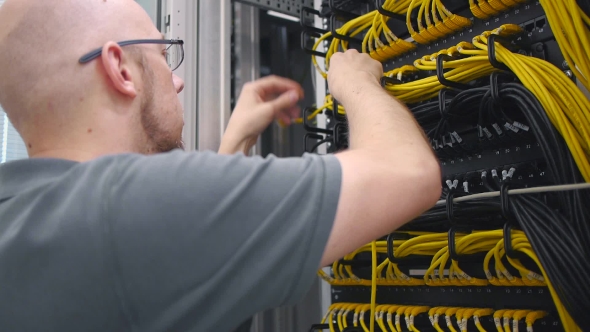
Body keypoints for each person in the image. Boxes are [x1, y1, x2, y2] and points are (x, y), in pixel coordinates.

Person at [0, 0, 441, 331]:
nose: (178, 79)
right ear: (121, 69)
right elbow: (408, 172)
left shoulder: (22, 218)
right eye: (163, 54)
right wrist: (356, 83)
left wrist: (235, 142)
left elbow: (171, 261)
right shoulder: (124, 210)